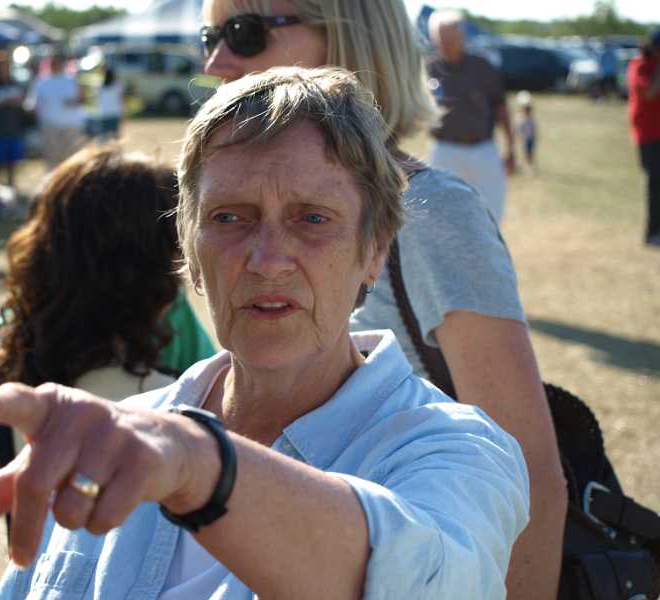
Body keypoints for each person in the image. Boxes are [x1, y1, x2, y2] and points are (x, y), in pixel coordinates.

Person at [0, 66, 528, 599]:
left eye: (313, 218)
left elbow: (430, 580)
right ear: (189, 249)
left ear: (374, 251)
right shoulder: (120, 440)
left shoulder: (453, 448)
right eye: (229, 217)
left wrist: (203, 467)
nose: (268, 260)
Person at [200, 2, 566, 599]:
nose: (216, 61)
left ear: (348, 35)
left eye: (245, 33)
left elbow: (530, 477)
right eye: (210, 36)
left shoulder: (433, 210)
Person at [0, 145, 216, 535]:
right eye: (176, 249)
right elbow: (223, 411)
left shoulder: (28, 320)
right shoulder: (172, 324)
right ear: (153, 267)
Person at [426, 9, 516, 224]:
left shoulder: (483, 67)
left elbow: (501, 109)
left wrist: (511, 147)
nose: (446, 46)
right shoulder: (428, 70)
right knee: (443, 217)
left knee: (490, 216)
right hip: (444, 151)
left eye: (451, 40)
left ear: (462, 37)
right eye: (442, 41)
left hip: (482, 151)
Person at [627, 30, 660, 248]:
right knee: (655, 181)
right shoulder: (640, 65)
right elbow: (649, 92)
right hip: (647, 134)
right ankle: (652, 232)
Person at [27, 54, 86, 168]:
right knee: (52, 161)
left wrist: (73, 102)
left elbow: (81, 100)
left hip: (71, 126)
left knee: (71, 161)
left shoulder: (72, 80)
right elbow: (33, 105)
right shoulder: (41, 82)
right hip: (51, 125)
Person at [0, 53, 26, 186]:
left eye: (5, 65)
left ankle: (11, 185)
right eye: (0, 65)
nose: (3, 68)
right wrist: (5, 101)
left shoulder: (15, 83)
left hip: (13, 129)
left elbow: (22, 101)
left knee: (12, 162)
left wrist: (11, 101)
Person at [96, 66, 124, 140]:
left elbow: (98, 99)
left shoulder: (99, 85)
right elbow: (121, 99)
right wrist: (123, 109)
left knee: (104, 135)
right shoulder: (117, 85)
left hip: (104, 112)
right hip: (115, 112)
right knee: (115, 135)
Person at [516, 90, 537, 173]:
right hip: (525, 139)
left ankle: (530, 167)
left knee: (530, 153)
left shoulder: (531, 119)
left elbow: (534, 129)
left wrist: (535, 136)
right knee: (524, 153)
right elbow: (520, 129)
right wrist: (520, 136)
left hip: (530, 139)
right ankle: (523, 167)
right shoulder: (522, 119)